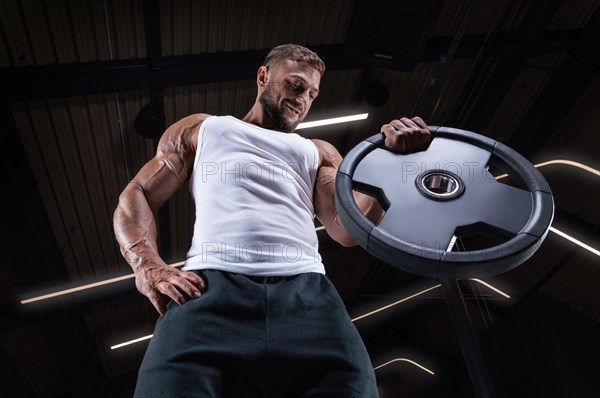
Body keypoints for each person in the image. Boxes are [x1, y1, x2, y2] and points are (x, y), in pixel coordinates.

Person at [114, 44, 431, 398]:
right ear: (263, 77)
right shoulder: (204, 129)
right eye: (296, 86)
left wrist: (395, 167)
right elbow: (138, 191)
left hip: (308, 301)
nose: (303, 99)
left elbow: (346, 229)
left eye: (312, 94)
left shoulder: (318, 151)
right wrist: (148, 266)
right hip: (209, 292)